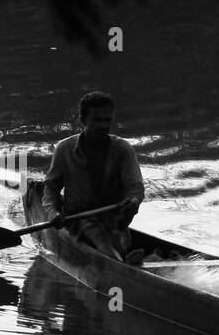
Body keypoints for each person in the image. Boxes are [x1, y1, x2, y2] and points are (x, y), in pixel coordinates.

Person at [41, 91, 145, 262]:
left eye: (107, 120)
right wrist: (53, 213)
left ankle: (124, 258)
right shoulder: (64, 149)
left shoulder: (123, 149)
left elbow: (136, 189)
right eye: (97, 120)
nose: (104, 125)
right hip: (78, 219)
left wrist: (133, 202)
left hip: (114, 220)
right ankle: (122, 264)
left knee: (118, 243)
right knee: (102, 243)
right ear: (82, 120)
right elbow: (51, 189)